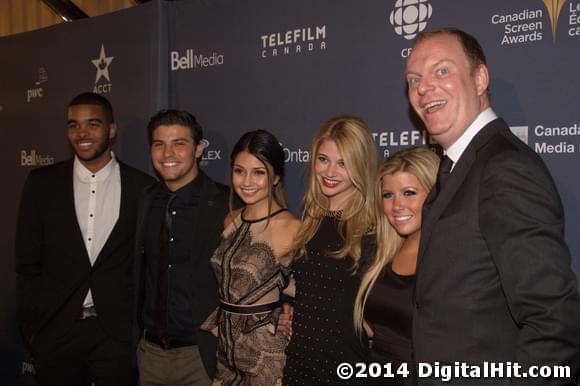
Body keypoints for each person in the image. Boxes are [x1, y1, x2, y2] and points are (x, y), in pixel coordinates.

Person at [405, 27, 580, 385]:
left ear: (480, 78)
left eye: (442, 71)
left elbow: (555, 320)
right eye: (413, 79)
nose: (423, 88)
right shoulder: (457, 165)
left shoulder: (505, 168)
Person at [15, 92, 155, 386]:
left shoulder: (142, 187)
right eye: (73, 125)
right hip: (56, 330)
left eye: (93, 124)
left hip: (114, 333)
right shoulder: (42, 184)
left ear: (111, 130)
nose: (82, 133)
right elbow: (28, 263)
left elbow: (148, 264)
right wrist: (33, 329)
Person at [133, 109, 229, 385]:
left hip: (201, 356)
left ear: (198, 149)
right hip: (150, 355)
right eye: (158, 144)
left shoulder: (226, 203)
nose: (167, 154)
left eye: (179, 143)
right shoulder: (145, 200)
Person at [283, 115, 377, 385]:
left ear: (361, 166)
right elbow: (315, 286)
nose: (330, 172)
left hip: (343, 369)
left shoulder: (372, 229)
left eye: (343, 164)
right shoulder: (312, 219)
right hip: (300, 364)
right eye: (323, 159)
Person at [201, 129, 300, 385]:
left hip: (265, 356)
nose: (247, 181)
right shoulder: (230, 219)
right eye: (239, 171)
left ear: (276, 177)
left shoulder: (291, 227)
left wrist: (286, 310)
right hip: (226, 352)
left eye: (259, 172)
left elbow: (308, 292)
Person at [354, 147, 439, 385]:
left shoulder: (449, 259)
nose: (397, 206)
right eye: (388, 195)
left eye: (409, 193)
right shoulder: (380, 253)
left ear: (434, 195)